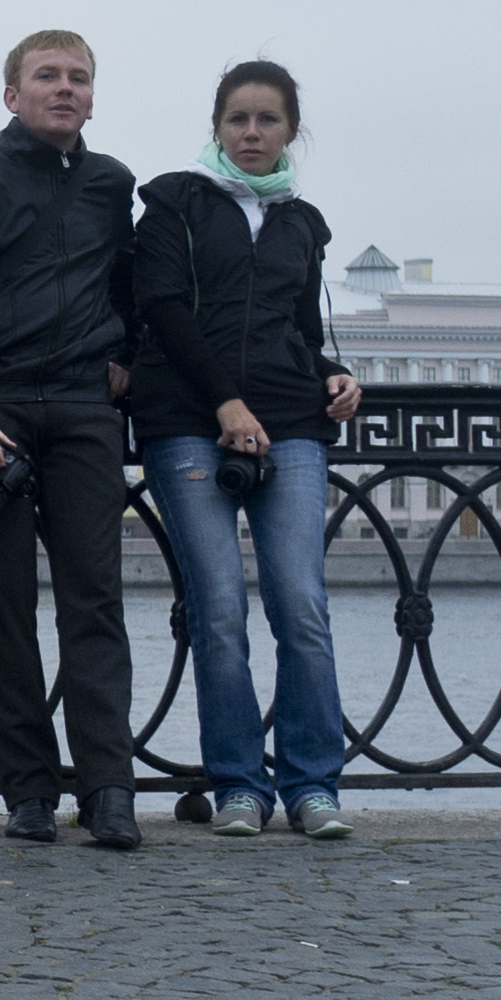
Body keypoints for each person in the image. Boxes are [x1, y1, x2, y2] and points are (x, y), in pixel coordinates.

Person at [0, 31, 142, 847]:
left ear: (93, 97)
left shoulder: (112, 185)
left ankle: (110, 789)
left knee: (95, 602)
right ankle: (30, 791)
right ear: (12, 95)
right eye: (47, 76)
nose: (65, 88)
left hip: (83, 408)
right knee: (3, 607)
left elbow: (130, 284)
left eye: (79, 78)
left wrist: (127, 352)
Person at [132, 60, 365, 840]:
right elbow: (163, 308)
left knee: (301, 604)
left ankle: (313, 787)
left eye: (268, 120)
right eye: (238, 119)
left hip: (291, 420)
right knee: (221, 608)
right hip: (187, 420)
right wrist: (224, 403)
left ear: (291, 130)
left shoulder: (302, 222)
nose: (252, 133)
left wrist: (333, 375)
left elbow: (300, 330)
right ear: (217, 126)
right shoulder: (174, 202)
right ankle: (238, 784)